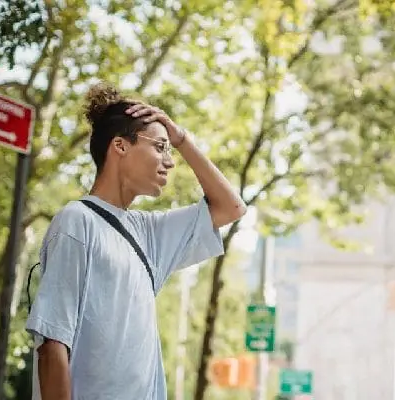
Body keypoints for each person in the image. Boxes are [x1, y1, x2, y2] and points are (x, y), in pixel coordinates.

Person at [25, 82, 246, 400]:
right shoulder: (77, 222)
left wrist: (180, 138)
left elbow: (231, 207)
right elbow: (52, 343)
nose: (169, 161)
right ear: (120, 146)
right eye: (160, 147)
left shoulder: (149, 234)